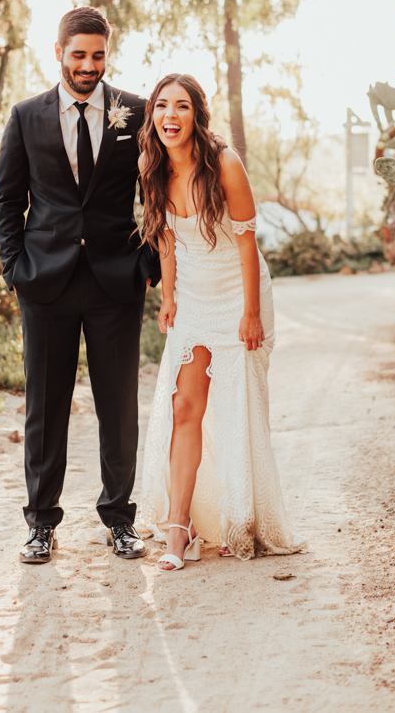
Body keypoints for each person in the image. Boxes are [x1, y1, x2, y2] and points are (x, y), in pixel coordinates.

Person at [0, 6, 159, 565]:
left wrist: (150, 263)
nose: (88, 65)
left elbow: (159, 190)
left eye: (98, 55)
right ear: (59, 54)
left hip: (117, 281)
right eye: (79, 55)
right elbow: (7, 201)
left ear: (107, 55)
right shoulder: (24, 116)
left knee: (119, 406)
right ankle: (41, 524)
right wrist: (15, 268)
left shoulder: (134, 113)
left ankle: (119, 519)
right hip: (46, 284)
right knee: (46, 407)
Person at [138, 73, 304, 571]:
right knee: (184, 407)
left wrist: (251, 312)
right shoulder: (151, 167)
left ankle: (239, 518)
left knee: (237, 409)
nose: (171, 116)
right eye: (162, 106)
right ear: (153, 116)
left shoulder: (224, 164)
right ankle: (178, 530)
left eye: (182, 106)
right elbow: (166, 240)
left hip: (238, 294)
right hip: (191, 299)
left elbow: (248, 244)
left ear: (197, 115)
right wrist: (168, 298)